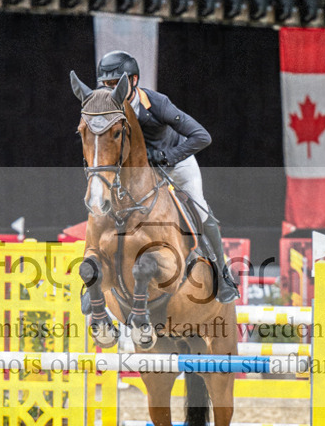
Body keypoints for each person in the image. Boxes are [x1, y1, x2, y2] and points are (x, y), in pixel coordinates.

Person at [95, 50, 239, 303]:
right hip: (138, 172)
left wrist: (168, 157)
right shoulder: (107, 109)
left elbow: (202, 136)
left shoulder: (157, 103)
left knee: (201, 209)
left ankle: (222, 273)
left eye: (116, 84)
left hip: (175, 163)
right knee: (103, 201)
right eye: (106, 85)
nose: (111, 91)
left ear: (134, 80)